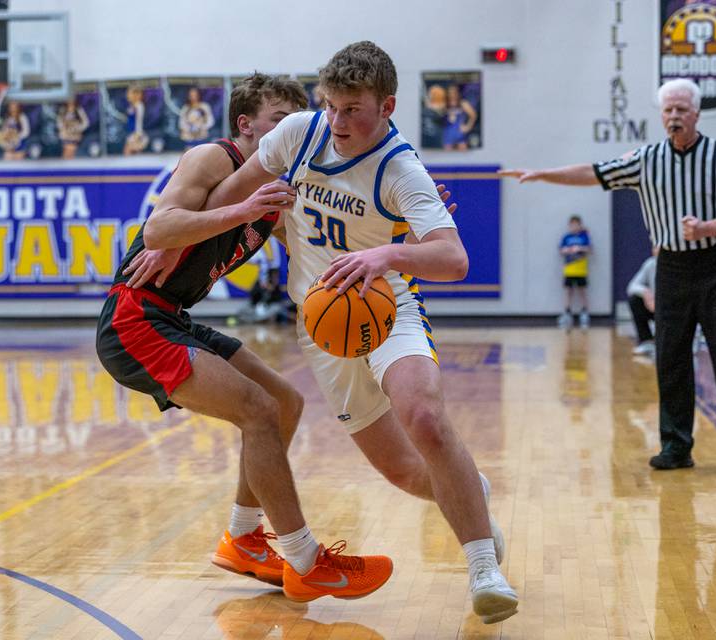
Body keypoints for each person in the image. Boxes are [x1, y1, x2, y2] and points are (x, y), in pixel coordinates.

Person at [163, 41, 518, 625]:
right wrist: (197, 229)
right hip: (323, 324)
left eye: (352, 109)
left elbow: (453, 259)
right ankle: (469, 492)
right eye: (330, 105)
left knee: (425, 418)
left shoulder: (401, 169)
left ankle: (484, 568)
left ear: (387, 106)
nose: (337, 121)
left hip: (386, 307)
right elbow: (228, 197)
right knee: (402, 471)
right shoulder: (298, 133)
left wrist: (385, 255)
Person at [96, 73, 393, 603]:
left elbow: (334, 237)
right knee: (256, 411)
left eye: (297, 121)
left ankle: (243, 537)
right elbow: (159, 229)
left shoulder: (280, 190)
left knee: (284, 402)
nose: (290, 132)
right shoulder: (213, 159)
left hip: (173, 316)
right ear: (246, 124)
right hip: (133, 318)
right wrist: (241, 210)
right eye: (279, 121)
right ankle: (306, 560)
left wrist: (403, 225)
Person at [500, 77, 716, 473]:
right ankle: (676, 446)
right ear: (661, 115)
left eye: (681, 109)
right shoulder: (646, 159)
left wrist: (708, 227)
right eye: (668, 110)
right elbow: (594, 173)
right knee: (670, 356)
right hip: (672, 266)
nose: (674, 116)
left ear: (696, 114)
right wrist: (543, 173)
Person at [559, 214, 592, 329]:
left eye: (576, 225)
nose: (574, 227)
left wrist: (580, 248)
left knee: (582, 291)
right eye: (572, 225)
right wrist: (567, 250)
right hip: (569, 269)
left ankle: (584, 312)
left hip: (581, 270)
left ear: (580, 225)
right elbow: (561, 250)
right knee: (569, 291)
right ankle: (567, 312)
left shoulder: (584, 237)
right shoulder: (566, 237)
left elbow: (589, 249)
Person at [627, 248, 658, 356]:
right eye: (654, 246)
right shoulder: (650, 264)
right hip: (654, 307)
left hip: (675, 309)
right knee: (635, 300)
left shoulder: (678, 266)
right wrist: (646, 293)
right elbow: (632, 286)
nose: (656, 249)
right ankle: (646, 341)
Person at [442, 84, 477, 151]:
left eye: (454, 93)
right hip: (448, 135)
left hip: (460, 134)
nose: (452, 95)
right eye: (450, 93)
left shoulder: (462, 103)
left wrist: (468, 127)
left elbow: (473, 115)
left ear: (457, 93)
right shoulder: (445, 104)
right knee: (447, 155)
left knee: (463, 154)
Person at [123, 85, 148, 155]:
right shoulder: (131, 105)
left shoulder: (139, 106)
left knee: (129, 151)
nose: (127, 95)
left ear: (136, 95)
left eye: (129, 94)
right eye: (128, 93)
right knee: (129, 152)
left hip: (136, 134)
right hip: (131, 133)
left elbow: (139, 121)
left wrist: (138, 134)